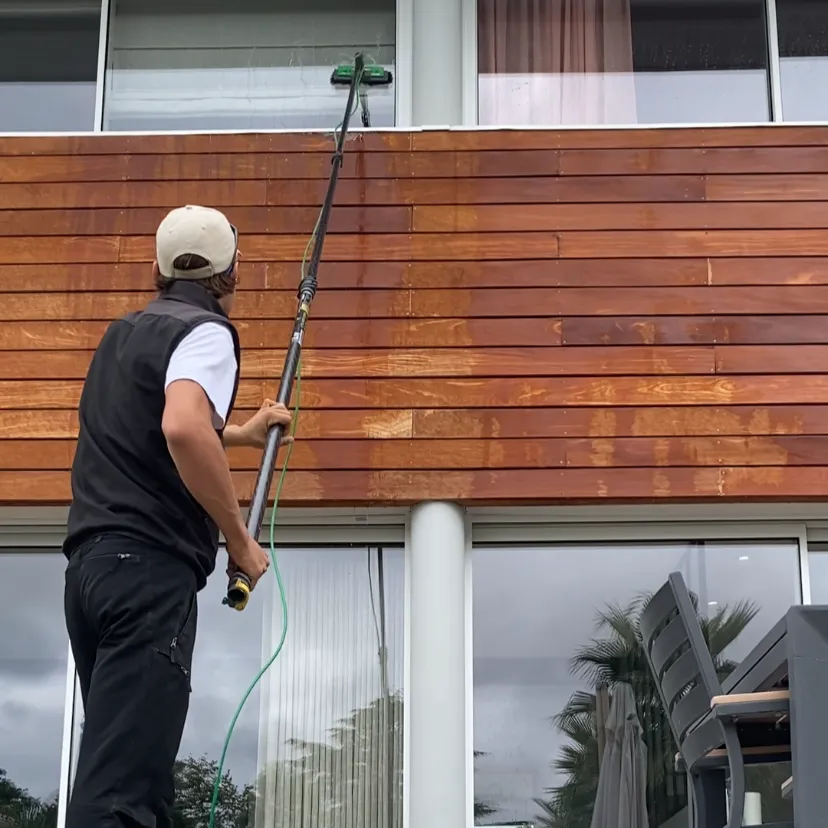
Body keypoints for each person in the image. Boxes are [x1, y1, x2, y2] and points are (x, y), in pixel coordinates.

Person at [62, 204, 292, 828]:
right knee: (123, 794)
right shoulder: (206, 331)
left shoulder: (121, 335)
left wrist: (238, 433)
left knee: (132, 774)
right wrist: (239, 540)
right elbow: (183, 426)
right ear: (232, 270)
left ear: (158, 268)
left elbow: (151, 426)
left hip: (91, 575)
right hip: (147, 573)